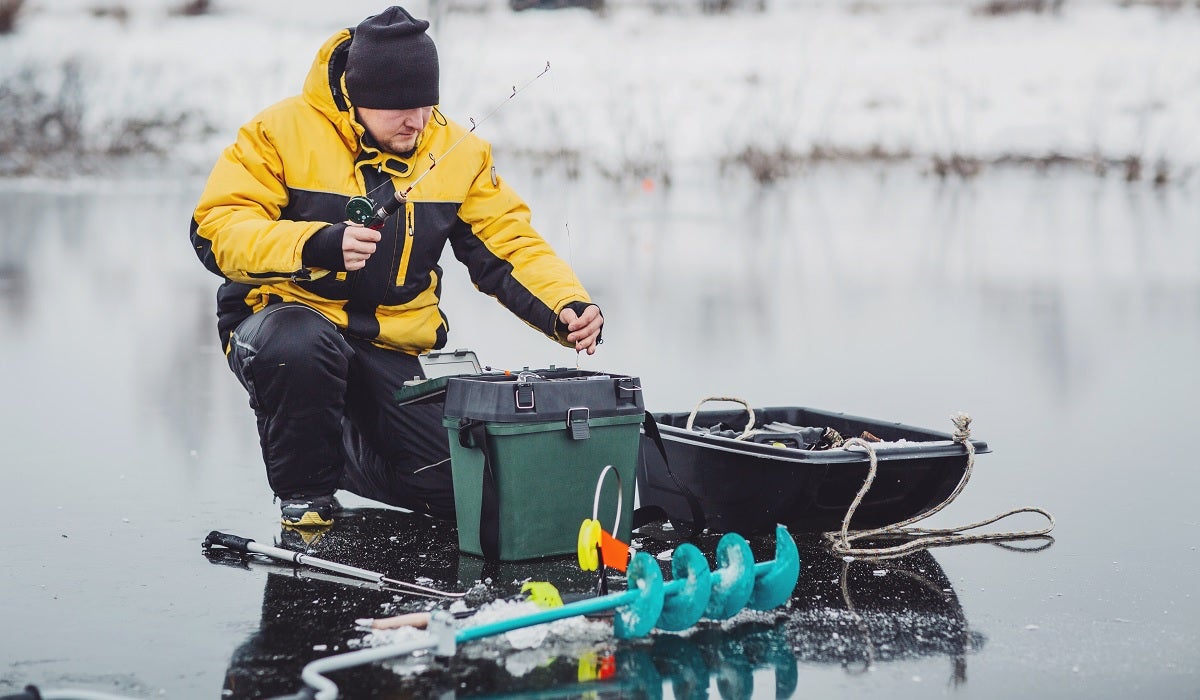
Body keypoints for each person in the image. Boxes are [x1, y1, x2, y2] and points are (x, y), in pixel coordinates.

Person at [189, 6, 603, 529]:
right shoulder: (278, 133)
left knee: (467, 491)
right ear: (358, 98)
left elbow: (510, 242)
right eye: (398, 109)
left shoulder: (455, 150)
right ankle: (306, 495)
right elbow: (215, 230)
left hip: (393, 343)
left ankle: (340, 448)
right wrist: (313, 244)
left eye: (426, 105)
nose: (417, 121)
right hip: (286, 324)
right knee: (299, 347)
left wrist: (565, 305)